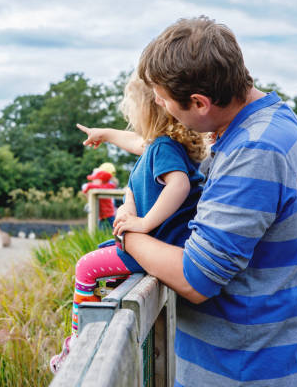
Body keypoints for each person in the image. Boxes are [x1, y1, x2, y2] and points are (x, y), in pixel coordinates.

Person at [121, 16, 297, 386]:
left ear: (199, 102)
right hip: (266, 358)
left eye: (163, 98)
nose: (159, 104)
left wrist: (128, 234)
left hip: (245, 370)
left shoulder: (255, 150)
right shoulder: (271, 124)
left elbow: (196, 278)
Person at [49, 71, 208, 373]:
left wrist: (144, 223)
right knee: (100, 265)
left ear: (149, 110)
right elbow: (135, 142)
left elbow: (179, 185)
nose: (130, 117)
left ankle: (75, 345)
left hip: (160, 242)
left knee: (87, 266)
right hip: (162, 243)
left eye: (132, 109)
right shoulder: (162, 146)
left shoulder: (163, 148)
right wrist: (104, 133)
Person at [81, 162, 118, 230]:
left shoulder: (108, 186)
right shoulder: (98, 187)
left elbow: (110, 186)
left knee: (111, 232)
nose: (92, 181)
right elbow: (85, 191)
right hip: (101, 217)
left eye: (94, 180)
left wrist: (89, 186)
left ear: (100, 180)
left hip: (108, 216)